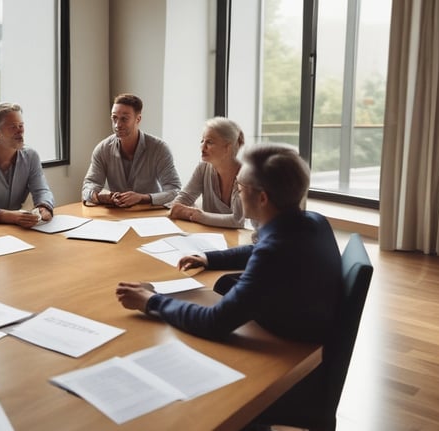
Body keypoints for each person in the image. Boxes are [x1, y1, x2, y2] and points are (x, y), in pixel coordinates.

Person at [115, 143, 342, 428]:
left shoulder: (274, 253)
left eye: (241, 186)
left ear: (262, 198)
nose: (237, 191)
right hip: (308, 342)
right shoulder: (312, 222)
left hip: (281, 360)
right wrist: (209, 258)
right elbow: (262, 250)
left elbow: (215, 323)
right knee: (207, 293)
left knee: (177, 341)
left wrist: (151, 301)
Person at [81, 93, 181, 207]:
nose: (117, 125)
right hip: (116, 217)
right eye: (114, 118)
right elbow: (88, 186)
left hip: (150, 215)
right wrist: (100, 197)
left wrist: (142, 198)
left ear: (138, 119)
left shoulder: (159, 148)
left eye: (124, 119)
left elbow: (175, 191)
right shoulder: (102, 149)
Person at [168, 117, 246, 228]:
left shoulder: (246, 175)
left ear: (227, 148)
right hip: (210, 237)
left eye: (209, 142)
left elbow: (238, 220)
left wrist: (197, 215)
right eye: (202, 141)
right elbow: (185, 197)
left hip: (242, 239)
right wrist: (176, 208)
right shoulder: (203, 168)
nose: (202, 147)